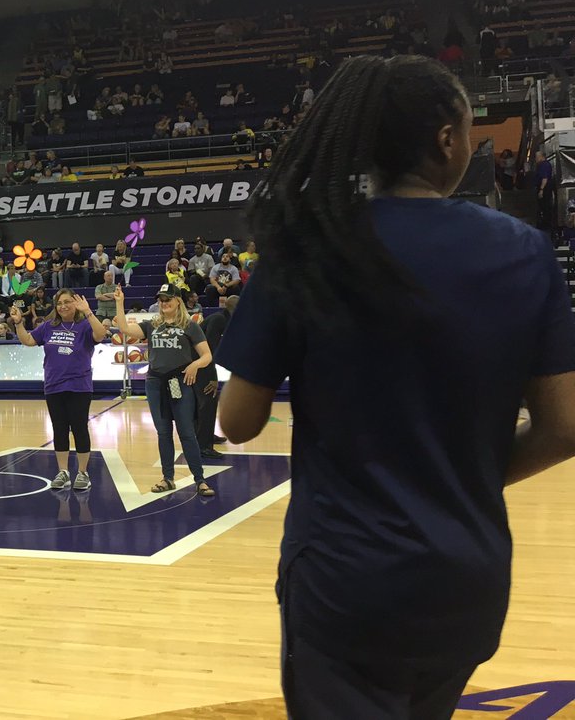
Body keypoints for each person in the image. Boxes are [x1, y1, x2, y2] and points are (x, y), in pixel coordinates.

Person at [215, 54, 575, 718]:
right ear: (446, 139)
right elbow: (564, 428)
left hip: (344, 579)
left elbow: (237, 422)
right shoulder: (524, 250)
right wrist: (461, 476)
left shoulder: (310, 244)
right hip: (467, 576)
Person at [115, 283, 215, 497]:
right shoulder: (152, 324)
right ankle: (168, 478)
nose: (164, 302)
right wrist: (119, 302)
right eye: (161, 299)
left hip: (181, 382)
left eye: (168, 298)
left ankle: (200, 480)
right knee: (163, 433)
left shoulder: (190, 325)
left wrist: (194, 365)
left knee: (187, 433)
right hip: (155, 383)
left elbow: (207, 355)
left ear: (178, 300)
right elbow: (124, 329)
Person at [10, 290, 108, 490]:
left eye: (67, 302)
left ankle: (83, 473)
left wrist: (88, 312)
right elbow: (28, 341)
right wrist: (19, 323)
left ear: (76, 303)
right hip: (54, 385)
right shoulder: (48, 326)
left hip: (79, 386)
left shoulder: (84, 325)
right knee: (59, 429)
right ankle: (63, 471)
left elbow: (101, 334)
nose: (63, 306)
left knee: (80, 428)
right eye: (59, 303)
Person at [195, 294, 238, 460]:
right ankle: (204, 446)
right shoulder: (219, 320)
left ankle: (207, 437)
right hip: (199, 365)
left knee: (209, 401)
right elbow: (209, 352)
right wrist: (213, 377)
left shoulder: (223, 319)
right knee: (208, 401)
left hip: (200, 364)